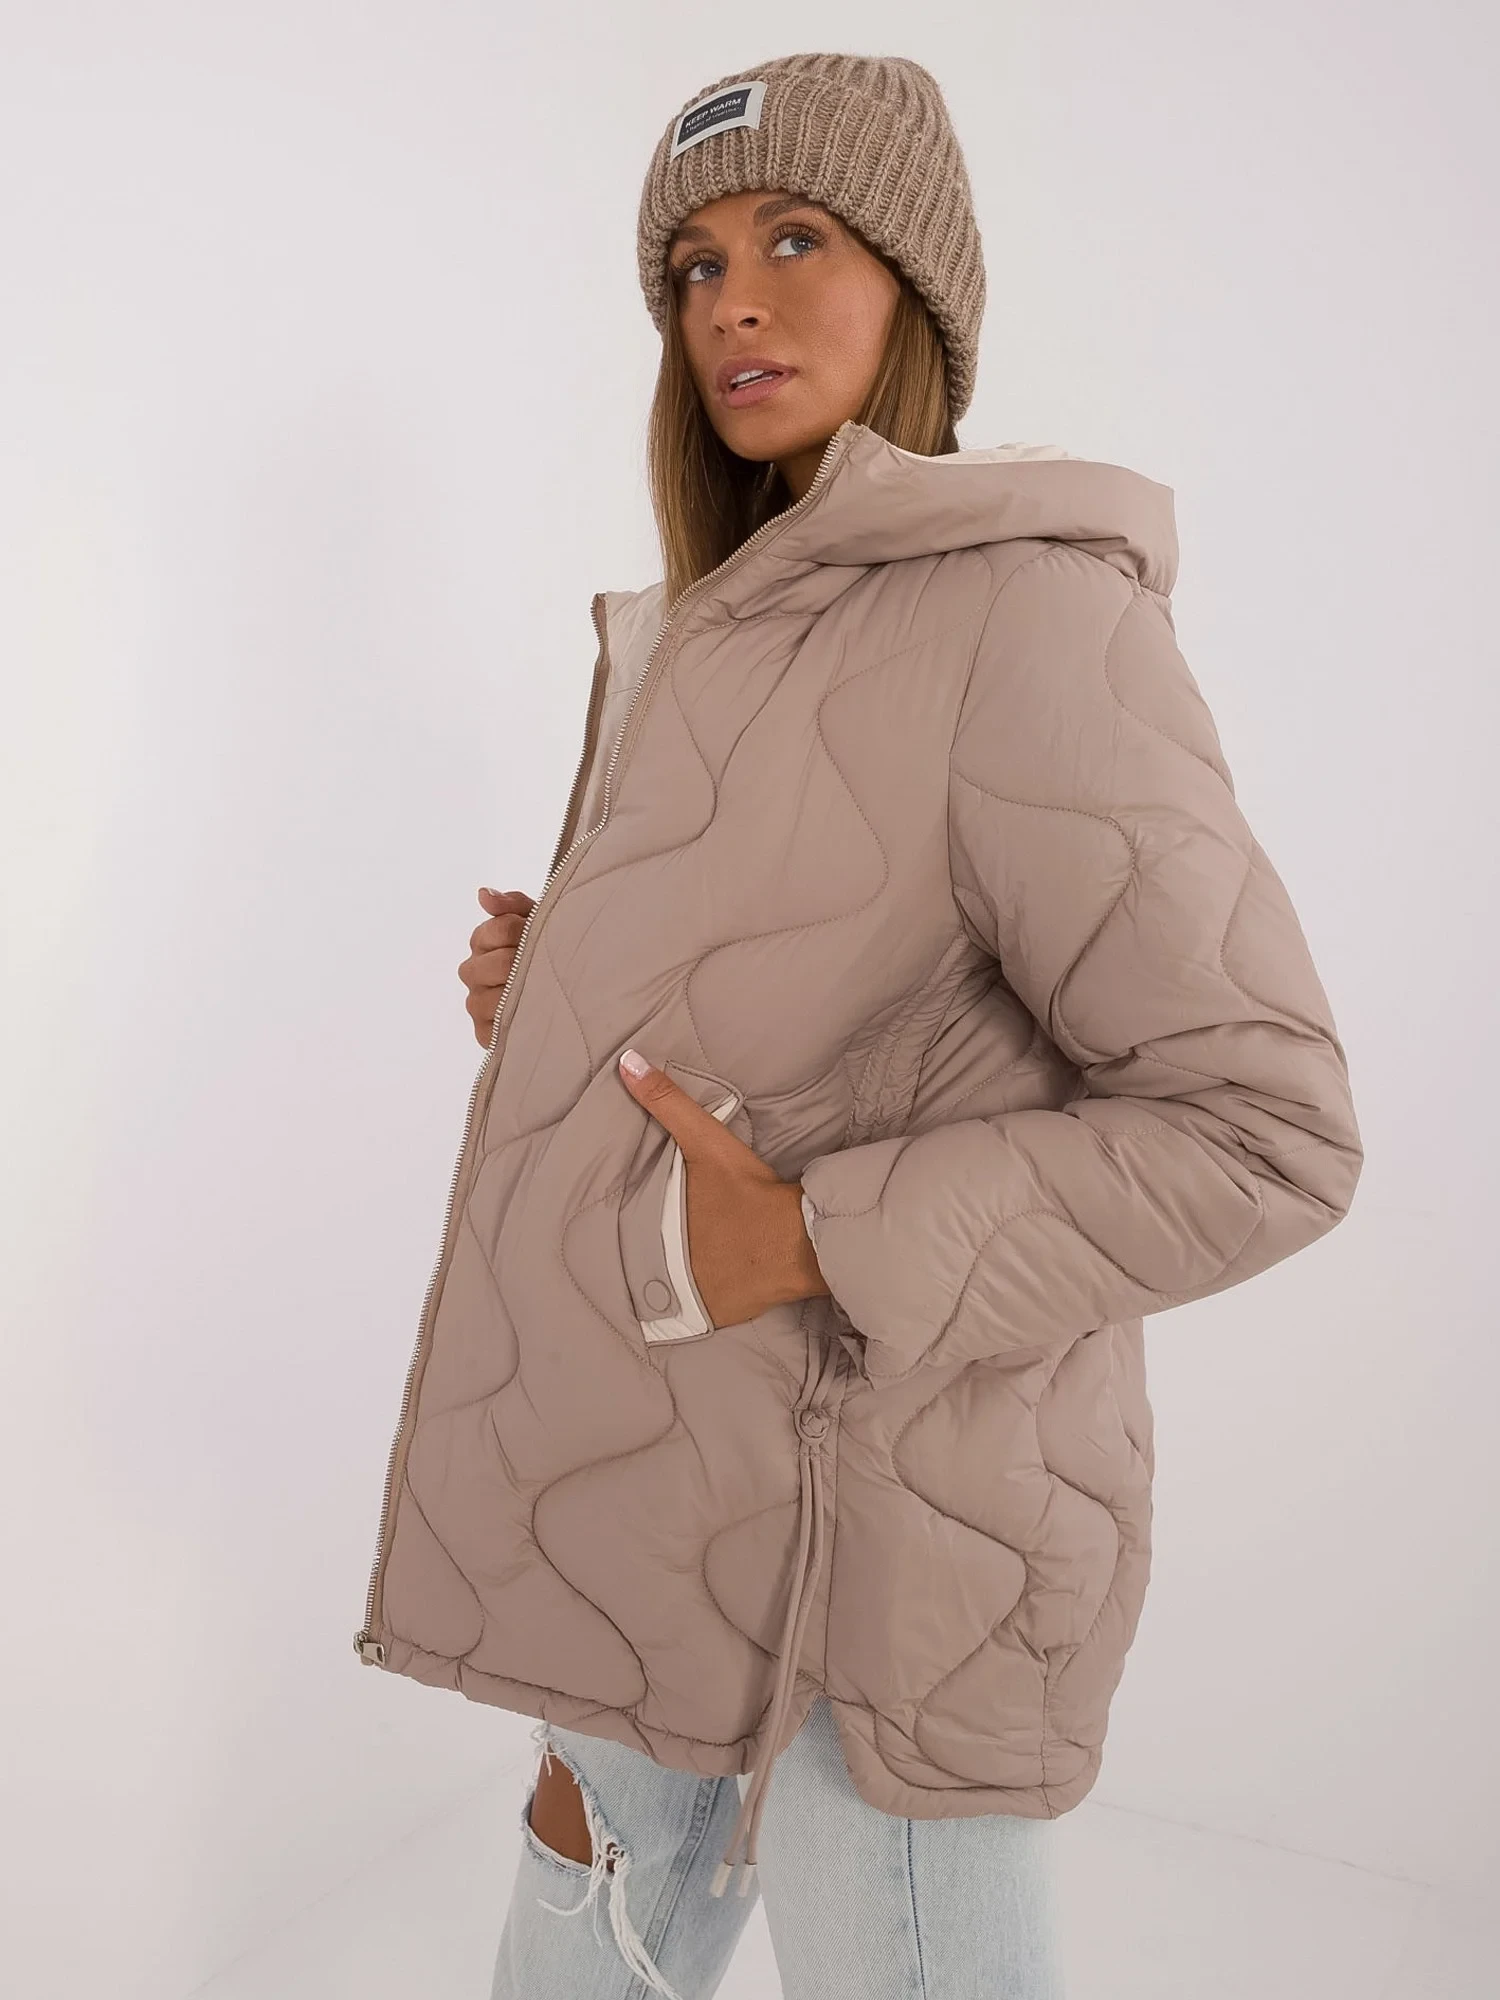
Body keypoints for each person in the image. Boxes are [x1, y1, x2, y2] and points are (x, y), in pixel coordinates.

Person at [356, 52, 1364, 2000]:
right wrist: (563, 997)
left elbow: (1265, 1132)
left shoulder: (1030, 618)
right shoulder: (703, 627)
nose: (734, 302)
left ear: (918, 283)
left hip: (889, 1546)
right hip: (649, 1480)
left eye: (797, 240)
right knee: (572, 1929)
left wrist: (817, 1234)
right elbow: (836, 1000)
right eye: (696, 267)